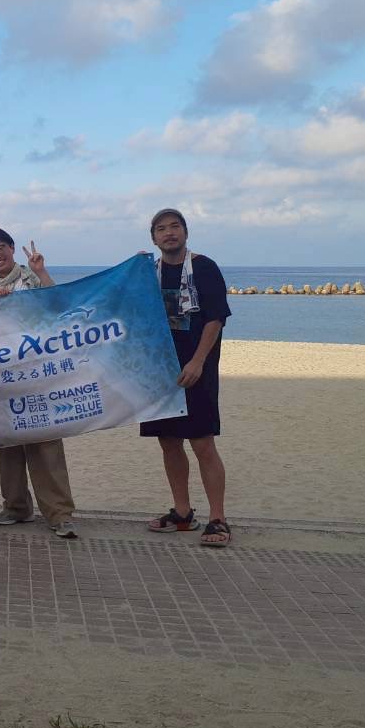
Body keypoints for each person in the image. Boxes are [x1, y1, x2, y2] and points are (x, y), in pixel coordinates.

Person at [0, 227, 79, 539]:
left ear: (11, 247)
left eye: (0, 248)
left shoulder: (31, 278)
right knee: (9, 443)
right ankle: (16, 506)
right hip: (4, 374)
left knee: (46, 442)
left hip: (38, 372)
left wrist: (41, 271)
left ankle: (59, 514)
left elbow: (57, 305)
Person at [141, 208, 233, 547]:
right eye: (161, 229)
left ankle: (218, 519)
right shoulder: (149, 273)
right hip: (159, 372)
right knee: (168, 441)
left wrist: (197, 361)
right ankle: (182, 512)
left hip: (197, 370)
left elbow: (215, 318)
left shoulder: (204, 267)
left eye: (175, 226)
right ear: (154, 238)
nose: (169, 233)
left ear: (185, 232)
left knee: (202, 443)